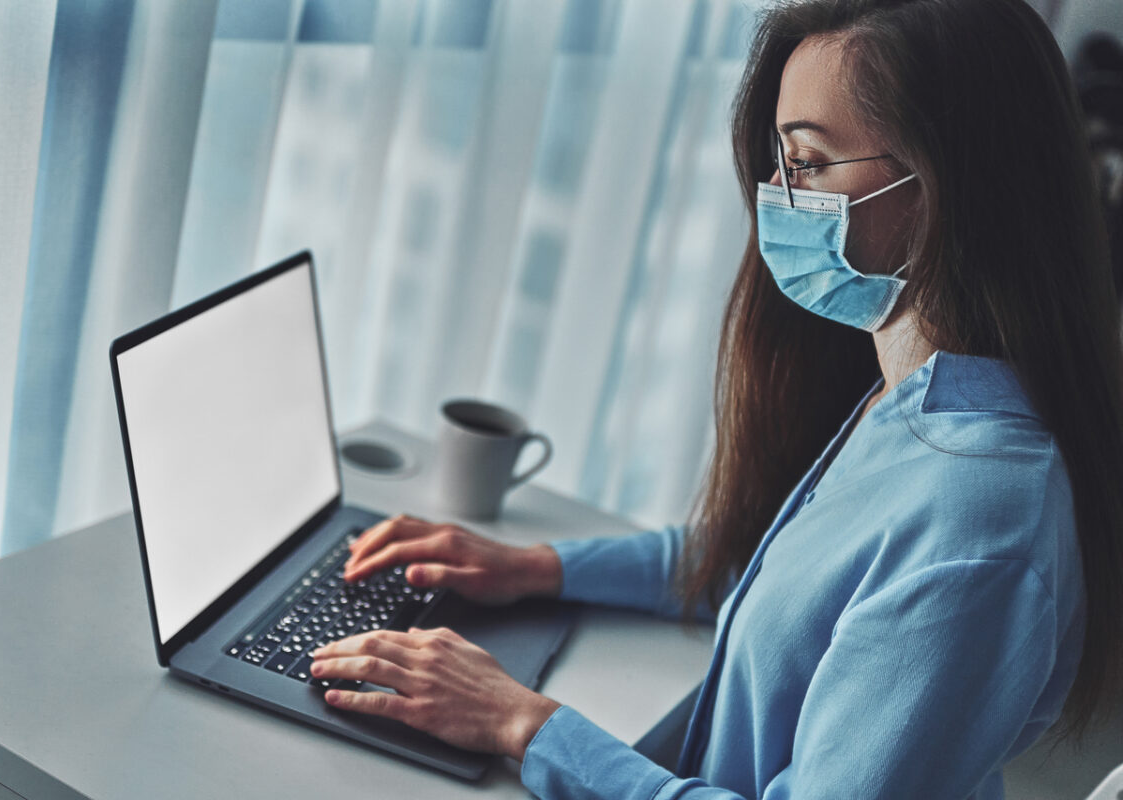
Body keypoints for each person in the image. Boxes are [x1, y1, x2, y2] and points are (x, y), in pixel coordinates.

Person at [308, 0, 1123, 796]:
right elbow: (787, 570)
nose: (773, 190)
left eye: (803, 163)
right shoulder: (923, 402)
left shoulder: (982, 518)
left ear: (943, 181)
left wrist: (524, 725)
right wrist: (536, 567)